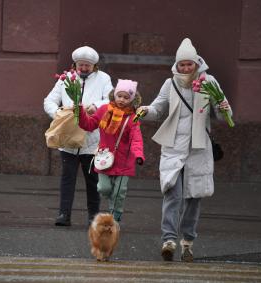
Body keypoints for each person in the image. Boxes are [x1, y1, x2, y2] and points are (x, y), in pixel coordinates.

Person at [136, 38, 232, 262]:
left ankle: (187, 242)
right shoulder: (170, 84)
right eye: (182, 65)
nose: (186, 68)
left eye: (190, 64)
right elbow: (158, 108)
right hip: (173, 147)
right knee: (172, 193)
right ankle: (168, 240)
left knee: (194, 197)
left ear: (197, 63)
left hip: (199, 149)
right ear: (177, 66)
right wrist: (144, 111)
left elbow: (222, 114)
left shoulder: (209, 82)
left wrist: (224, 108)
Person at [44, 46, 113, 226]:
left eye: (87, 66)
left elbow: (110, 100)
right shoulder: (66, 78)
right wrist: (58, 113)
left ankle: (93, 216)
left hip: (92, 139)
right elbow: (49, 100)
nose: (83, 68)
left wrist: (95, 106)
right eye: (81, 65)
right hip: (69, 138)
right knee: (67, 179)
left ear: (94, 66)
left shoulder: (104, 79)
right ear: (75, 64)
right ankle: (64, 214)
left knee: (93, 181)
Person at [78, 79, 144, 222]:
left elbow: (136, 138)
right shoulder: (103, 110)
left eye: (126, 97)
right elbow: (88, 125)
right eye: (119, 95)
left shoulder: (133, 117)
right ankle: (113, 204)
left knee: (120, 192)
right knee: (103, 188)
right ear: (114, 94)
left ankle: (115, 217)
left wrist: (138, 155)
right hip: (104, 157)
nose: (122, 100)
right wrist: (80, 111)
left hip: (124, 161)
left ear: (132, 99)